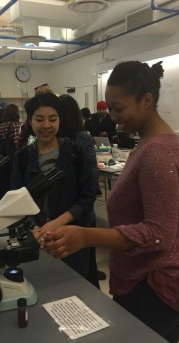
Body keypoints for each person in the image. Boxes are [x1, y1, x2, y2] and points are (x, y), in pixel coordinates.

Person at [42, 61, 179, 343]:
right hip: (158, 281)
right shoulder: (154, 144)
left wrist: (86, 236)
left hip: (153, 285)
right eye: (109, 108)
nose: (112, 116)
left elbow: (158, 233)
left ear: (147, 100)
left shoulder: (157, 153)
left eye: (119, 108)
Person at [11, 93, 97, 279]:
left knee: (74, 290)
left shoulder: (76, 153)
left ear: (60, 120)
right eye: (39, 119)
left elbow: (88, 197)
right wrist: (33, 228)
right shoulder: (22, 158)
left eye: (53, 119)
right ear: (30, 121)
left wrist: (57, 223)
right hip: (36, 238)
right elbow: (16, 200)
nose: (46, 125)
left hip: (70, 238)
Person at [59, 94, 105, 285]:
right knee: (83, 263)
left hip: (73, 208)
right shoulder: (80, 137)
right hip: (79, 208)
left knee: (77, 264)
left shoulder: (78, 139)